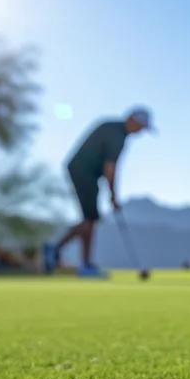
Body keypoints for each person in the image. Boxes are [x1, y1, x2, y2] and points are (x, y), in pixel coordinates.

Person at [43, 107, 154, 276]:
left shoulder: (113, 127)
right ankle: (63, 253)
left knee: (90, 219)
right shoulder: (118, 135)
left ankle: (78, 260)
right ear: (132, 119)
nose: (140, 131)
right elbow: (110, 168)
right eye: (140, 126)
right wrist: (113, 195)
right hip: (84, 173)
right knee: (91, 219)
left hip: (84, 172)